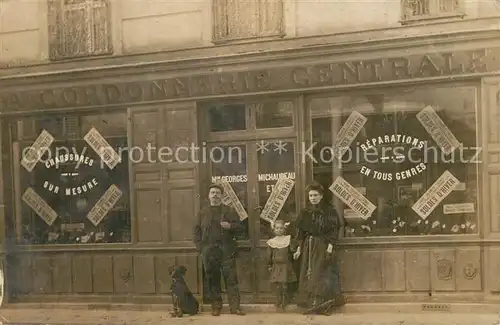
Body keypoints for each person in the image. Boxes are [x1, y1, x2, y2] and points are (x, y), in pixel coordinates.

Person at [193, 184, 245, 316]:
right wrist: (201, 248)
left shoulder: (229, 211)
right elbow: (196, 231)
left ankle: (235, 307)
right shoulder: (202, 213)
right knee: (213, 280)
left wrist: (230, 226)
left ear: (222, 196)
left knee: (231, 279)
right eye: (212, 193)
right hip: (209, 251)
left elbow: (241, 228)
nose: (215, 195)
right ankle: (216, 307)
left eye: (217, 193)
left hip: (226, 250)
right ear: (208, 196)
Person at [293, 183, 345, 315]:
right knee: (308, 273)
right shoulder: (305, 212)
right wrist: (299, 248)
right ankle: (310, 304)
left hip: (322, 245)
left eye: (315, 195)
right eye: (310, 195)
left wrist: (330, 246)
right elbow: (300, 232)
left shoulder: (329, 211)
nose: (313, 198)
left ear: (321, 196)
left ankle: (323, 306)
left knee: (322, 274)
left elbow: (334, 230)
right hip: (308, 247)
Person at [266, 220, 297, 312]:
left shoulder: (288, 239)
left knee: (285, 284)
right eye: (277, 228)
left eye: (281, 228)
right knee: (277, 284)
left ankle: (284, 301)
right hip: (276, 265)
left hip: (285, 265)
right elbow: (269, 255)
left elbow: (292, 249)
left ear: (284, 229)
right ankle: (278, 301)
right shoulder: (272, 242)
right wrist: (269, 265)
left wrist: (296, 249)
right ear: (274, 229)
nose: (279, 230)